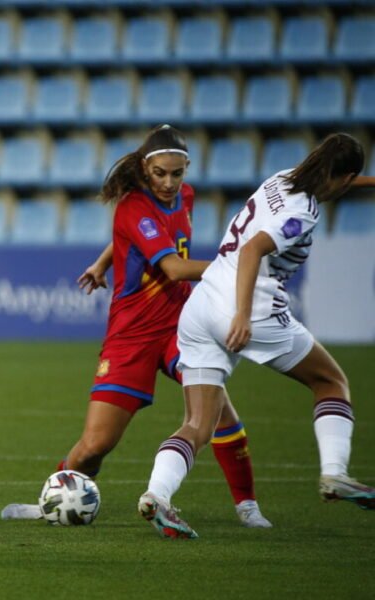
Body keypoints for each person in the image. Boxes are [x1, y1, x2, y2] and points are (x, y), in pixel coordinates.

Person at [1, 125, 270, 527]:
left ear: (186, 170)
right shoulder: (132, 206)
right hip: (131, 334)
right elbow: (175, 268)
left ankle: (247, 506)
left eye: (176, 174)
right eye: (159, 173)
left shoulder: (187, 198)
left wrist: (103, 261)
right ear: (145, 170)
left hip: (182, 326)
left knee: (220, 414)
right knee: (95, 445)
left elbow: (143, 237)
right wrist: (237, 266)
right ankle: (49, 504)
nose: (168, 182)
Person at [138, 133, 374, 539]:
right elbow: (253, 252)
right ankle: (335, 473)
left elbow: (337, 182)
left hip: (202, 303)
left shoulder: (283, 179)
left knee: (197, 424)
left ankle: (157, 495)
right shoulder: (303, 211)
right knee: (331, 381)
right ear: (343, 174)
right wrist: (244, 317)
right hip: (247, 304)